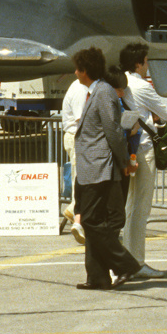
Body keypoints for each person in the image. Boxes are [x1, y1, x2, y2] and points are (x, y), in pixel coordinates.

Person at [70, 47, 143, 290]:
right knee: (95, 222)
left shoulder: (102, 93)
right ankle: (98, 276)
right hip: (91, 167)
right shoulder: (96, 92)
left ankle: (125, 264)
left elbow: (113, 131)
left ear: (85, 71)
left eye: (78, 69)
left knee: (90, 221)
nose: (75, 73)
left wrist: (123, 161)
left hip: (99, 167)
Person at [118, 43, 167, 272]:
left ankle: (128, 258)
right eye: (146, 61)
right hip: (143, 148)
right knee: (141, 208)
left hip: (126, 149)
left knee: (130, 206)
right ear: (138, 63)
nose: (147, 66)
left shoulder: (121, 84)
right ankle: (137, 262)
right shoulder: (142, 86)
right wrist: (153, 118)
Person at [59, 76, 90, 243]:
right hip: (78, 137)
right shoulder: (80, 89)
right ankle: (75, 212)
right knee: (80, 180)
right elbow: (81, 119)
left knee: (80, 179)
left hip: (78, 137)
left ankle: (77, 215)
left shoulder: (81, 87)